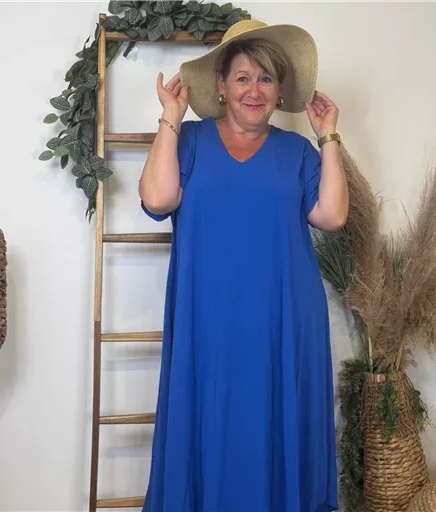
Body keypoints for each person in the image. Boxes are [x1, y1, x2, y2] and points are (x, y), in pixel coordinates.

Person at [138, 19, 348, 512]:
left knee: (274, 421)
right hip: (207, 320)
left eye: (266, 79)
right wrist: (171, 116)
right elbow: (158, 198)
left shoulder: (296, 151)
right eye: (243, 78)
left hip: (284, 321)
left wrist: (328, 136)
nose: (254, 91)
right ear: (221, 84)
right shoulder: (189, 139)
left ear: (280, 90)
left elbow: (333, 215)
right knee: (210, 420)